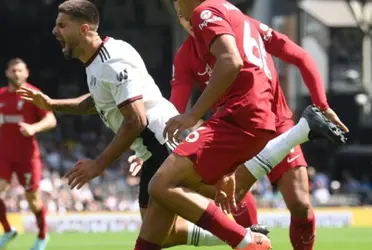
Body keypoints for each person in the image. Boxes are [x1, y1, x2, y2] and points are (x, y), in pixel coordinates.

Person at [17, 1, 346, 250]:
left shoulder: (119, 55)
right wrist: (55, 105)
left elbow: (136, 120)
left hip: (176, 137)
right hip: (164, 143)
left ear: (85, 27)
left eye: (61, 25)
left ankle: (248, 237)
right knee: (167, 227)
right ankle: (246, 234)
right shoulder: (99, 65)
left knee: (218, 190)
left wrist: (100, 164)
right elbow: (103, 102)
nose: (55, 31)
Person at [131, 0, 347, 250]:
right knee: (201, 190)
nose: (183, 16)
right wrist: (160, 144)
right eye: (178, 14)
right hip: (239, 120)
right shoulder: (188, 53)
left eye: (181, 7)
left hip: (260, 120)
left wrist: (322, 103)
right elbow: (176, 106)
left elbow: (299, 55)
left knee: (298, 203)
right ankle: (250, 239)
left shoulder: (228, 20)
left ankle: (248, 242)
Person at [0, 58, 57, 250]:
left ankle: (42, 236)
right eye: (13, 71)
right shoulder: (0, 95)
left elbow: (51, 119)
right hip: (4, 155)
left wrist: (34, 128)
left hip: (27, 156)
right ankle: (7, 230)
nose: (17, 74)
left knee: (33, 199)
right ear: (7, 73)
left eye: (20, 71)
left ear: (27, 73)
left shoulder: (34, 94)